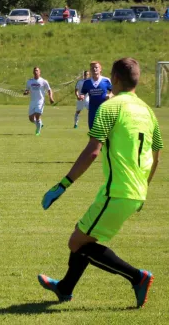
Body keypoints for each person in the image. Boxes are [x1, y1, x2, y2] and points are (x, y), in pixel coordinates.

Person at [38, 58, 163, 308]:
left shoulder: (110, 106)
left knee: (78, 242)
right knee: (85, 235)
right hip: (136, 191)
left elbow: (93, 151)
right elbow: (157, 153)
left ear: (114, 78)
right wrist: (144, 189)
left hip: (118, 190)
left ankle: (137, 277)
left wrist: (62, 184)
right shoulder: (148, 111)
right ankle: (65, 288)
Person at [80, 61, 113, 129]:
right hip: (92, 109)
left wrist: (110, 95)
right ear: (90, 70)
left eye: (96, 67)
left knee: (105, 129)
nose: (94, 69)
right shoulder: (87, 82)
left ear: (100, 69)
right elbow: (83, 92)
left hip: (104, 109)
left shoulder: (106, 80)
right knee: (92, 129)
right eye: (92, 68)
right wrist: (82, 96)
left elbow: (113, 90)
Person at [23, 67, 54, 136]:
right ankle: (39, 124)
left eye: (37, 71)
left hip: (40, 101)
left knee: (37, 115)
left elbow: (49, 90)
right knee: (31, 119)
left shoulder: (43, 81)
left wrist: (51, 97)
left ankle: (38, 131)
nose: (36, 72)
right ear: (33, 72)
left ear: (40, 72)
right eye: (34, 71)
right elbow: (27, 89)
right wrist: (26, 92)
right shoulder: (29, 81)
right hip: (32, 101)